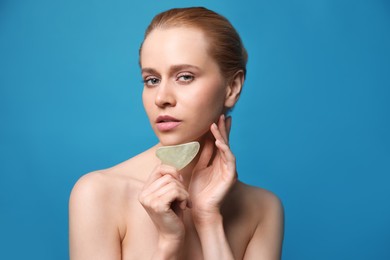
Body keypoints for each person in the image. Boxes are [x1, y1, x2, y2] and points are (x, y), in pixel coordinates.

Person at [69, 6, 284, 260]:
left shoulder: (262, 210)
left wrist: (209, 221)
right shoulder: (98, 194)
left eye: (184, 77)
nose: (162, 98)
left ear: (232, 87)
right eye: (152, 80)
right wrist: (168, 245)